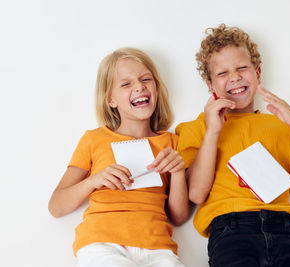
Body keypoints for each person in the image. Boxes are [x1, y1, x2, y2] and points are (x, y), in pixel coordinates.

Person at [175, 24, 290, 267]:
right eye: (222, 73)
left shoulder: (281, 125)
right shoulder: (196, 129)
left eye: (242, 68)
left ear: (258, 73)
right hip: (231, 231)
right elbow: (197, 193)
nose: (234, 77)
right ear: (210, 84)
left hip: (288, 229)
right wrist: (212, 131)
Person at [48, 47, 189, 267]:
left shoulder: (172, 142)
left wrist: (178, 172)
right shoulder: (94, 140)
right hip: (103, 244)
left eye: (146, 79)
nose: (139, 86)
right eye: (126, 84)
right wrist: (94, 181)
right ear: (111, 100)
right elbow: (56, 206)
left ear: (157, 88)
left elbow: (179, 217)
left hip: (158, 249)